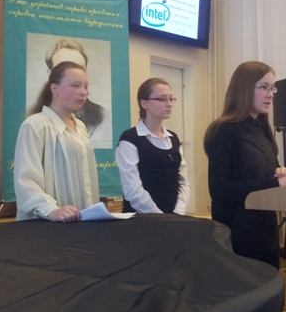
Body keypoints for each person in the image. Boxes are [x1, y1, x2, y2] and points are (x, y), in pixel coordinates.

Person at [203, 61, 286, 269]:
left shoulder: (263, 129)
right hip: (238, 236)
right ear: (243, 89)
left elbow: (263, 176)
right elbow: (220, 190)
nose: (270, 95)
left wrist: (279, 173)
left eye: (272, 88)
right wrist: (276, 184)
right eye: (263, 87)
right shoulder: (224, 130)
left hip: (266, 232)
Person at [15, 61, 99, 222]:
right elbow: (26, 180)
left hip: (81, 221)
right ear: (55, 89)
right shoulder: (35, 125)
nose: (83, 92)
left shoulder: (80, 126)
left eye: (85, 87)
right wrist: (51, 210)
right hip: (46, 223)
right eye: (76, 85)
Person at [115, 78, 190, 215]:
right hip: (141, 219)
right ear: (144, 103)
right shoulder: (130, 139)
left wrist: (178, 213)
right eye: (162, 99)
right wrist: (160, 218)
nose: (169, 104)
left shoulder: (173, 139)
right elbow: (133, 190)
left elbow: (183, 182)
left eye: (171, 99)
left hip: (173, 218)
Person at [30, 38, 110, 148]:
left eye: (79, 68)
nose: (83, 92)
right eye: (65, 68)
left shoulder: (95, 119)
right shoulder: (35, 125)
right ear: (50, 77)